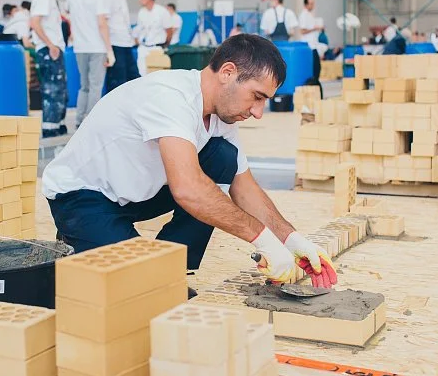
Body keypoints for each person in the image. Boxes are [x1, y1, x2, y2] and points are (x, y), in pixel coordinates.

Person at [42, 34, 338, 295]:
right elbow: (188, 189)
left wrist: (291, 240)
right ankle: (81, 239)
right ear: (228, 72)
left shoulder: (222, 115)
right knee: (147, 296)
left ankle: (171, 263)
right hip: (83, 198)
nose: (259, 112)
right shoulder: (171, 97)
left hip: (136, 192)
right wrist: (261, 239)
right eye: (257, 97)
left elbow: (244, 187)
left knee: (223, 157)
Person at [66, 0, 113, 129]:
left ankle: (79, 120)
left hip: (79, 46)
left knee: (84, 86)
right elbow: (102, 24)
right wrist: (109, 50)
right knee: (96, 86)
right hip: (97, 46)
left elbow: (68, 13)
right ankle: (91, 122)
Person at [30, 0, 68, 138]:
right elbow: (35, 22)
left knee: (59, 90)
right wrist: (50, 45)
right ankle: (49, 128)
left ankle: (57, 124)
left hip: (54, 48)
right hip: (49, 49)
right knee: (52, 89)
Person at [104, 0, 139, 92]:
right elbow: (104, 21)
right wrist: (108, 50)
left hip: (126, 42)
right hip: (115, 42)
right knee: (118, 80)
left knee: (133, 76)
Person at [133, 0, 173, 77]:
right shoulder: (141, 12)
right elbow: (139, 28)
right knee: (142, 75)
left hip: (156, 48)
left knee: (156, 76)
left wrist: (165, 45)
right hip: (143, 48)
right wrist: (136, 40)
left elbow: (169, 30)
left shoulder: (162, 11)